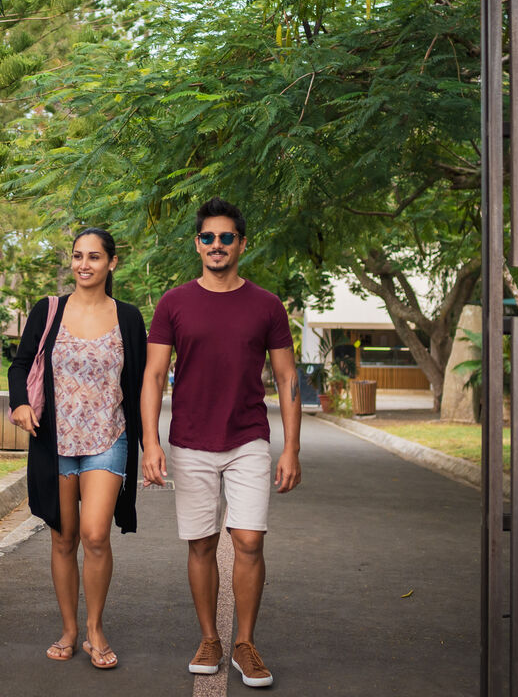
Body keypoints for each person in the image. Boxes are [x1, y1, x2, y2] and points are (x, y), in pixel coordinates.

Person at [141, 197, 302, 689]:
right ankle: (210, 636)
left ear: (241, 244)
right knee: (202, 542)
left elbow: (287, 377)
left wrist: (291, 448)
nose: (216, 245)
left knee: (249, 540)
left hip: (248, 437)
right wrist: (152, 442)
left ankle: (245, 643)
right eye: (208, 237)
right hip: (189, 440)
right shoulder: (173, 303)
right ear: (197, 244)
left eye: (226, 237)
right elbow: (153, 375)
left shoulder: (267, 305)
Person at [9, 227, 148, 670]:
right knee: (64, 537)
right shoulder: (49, 310)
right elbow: (20, 364)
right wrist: (20, 404)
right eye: (77, 256)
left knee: (95, 535)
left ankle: (95, 628)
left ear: (112, 263)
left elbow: (142, 381)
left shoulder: (128, 316)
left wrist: (153, 444)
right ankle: (69, 628)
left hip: (109, 437)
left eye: (93, 257)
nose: (83, 264)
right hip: (56, 441)